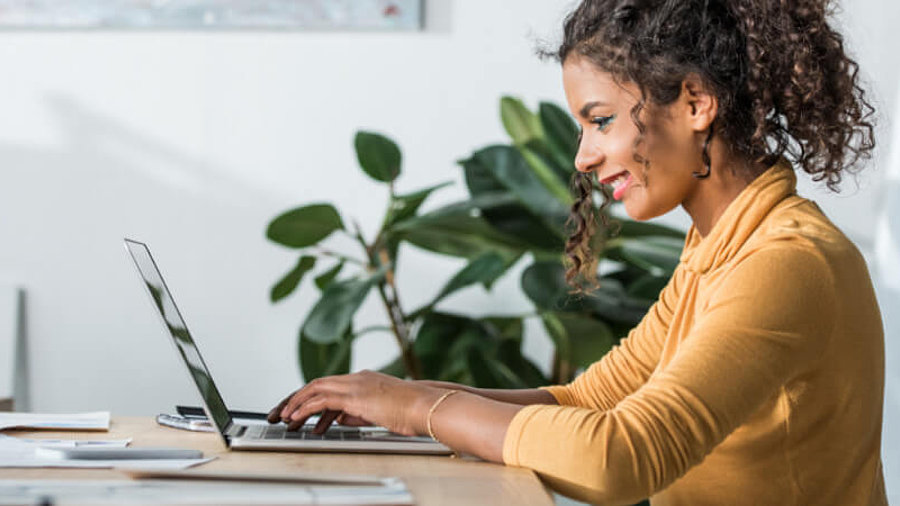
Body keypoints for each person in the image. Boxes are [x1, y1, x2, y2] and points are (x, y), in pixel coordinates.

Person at [267, 0, 887, 503]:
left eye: (602, 121)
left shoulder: (785, 262)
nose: (583, 157)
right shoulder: (722, 249)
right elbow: (588, 400)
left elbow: (620, 458)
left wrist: (419, 409)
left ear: (696, 104)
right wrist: (393, 400)